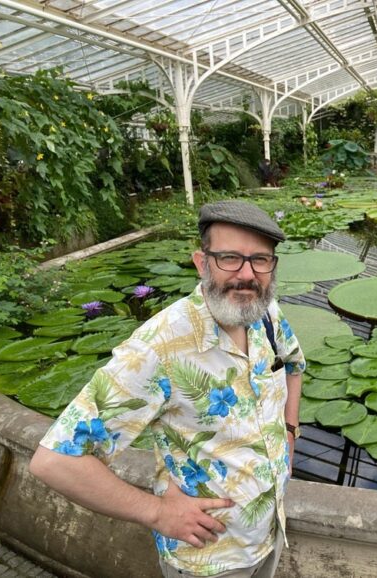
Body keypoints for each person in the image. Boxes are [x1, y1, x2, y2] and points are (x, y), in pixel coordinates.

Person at [30, 200, 306, 578]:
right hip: (208, 561)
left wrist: (290, 431)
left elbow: (293, 365)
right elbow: (55, 461)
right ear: (201, 262)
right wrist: (156, 511)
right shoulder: (159, 348)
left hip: (269, 536)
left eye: (260, 260)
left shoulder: (265, 315)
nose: (247, 274)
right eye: (229, 258)